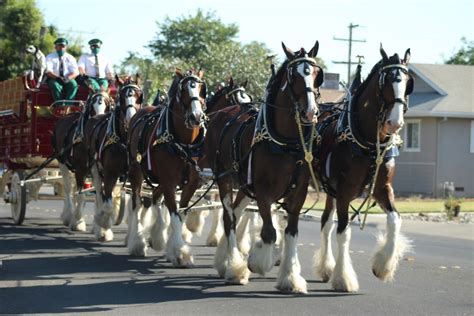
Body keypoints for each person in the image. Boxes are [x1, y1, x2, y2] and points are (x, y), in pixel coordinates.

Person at [45, 37, 79, 102]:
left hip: (67, 79)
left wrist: (68, 78)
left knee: (74, 85)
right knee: (55, 85)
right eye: (59, 46)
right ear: (55, 47)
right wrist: (57, 78)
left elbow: (76, 72)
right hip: (54, 78)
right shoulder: (49, 57)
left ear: (66, 47)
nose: (61, 48)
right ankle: (59, 105)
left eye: (63, 46)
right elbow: (48, 71)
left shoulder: (71, 58)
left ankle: (67, 106)